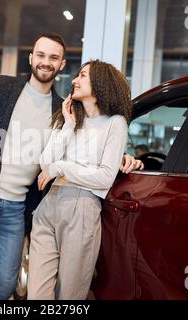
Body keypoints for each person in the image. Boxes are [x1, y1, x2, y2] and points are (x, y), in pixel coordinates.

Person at [0, 33, 143, 300]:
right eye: (40, 55)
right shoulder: (0, 87)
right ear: (30, 58)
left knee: (5, 283)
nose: (45, 62)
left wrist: (119, 156)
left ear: (61, 65)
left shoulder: (64, 110)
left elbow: (86, 143)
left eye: (53, 57)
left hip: (15, 208)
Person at [27, 60, 132, 300]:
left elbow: (105, 177)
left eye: (82, 75)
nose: (74, 80)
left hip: (81, 207)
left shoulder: (115, 123)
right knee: (37, 295)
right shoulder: (70, 118)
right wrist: (68, 126)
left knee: (70, 296)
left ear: (101, 83)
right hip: (49, 204)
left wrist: (61, 167)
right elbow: (45, 163)